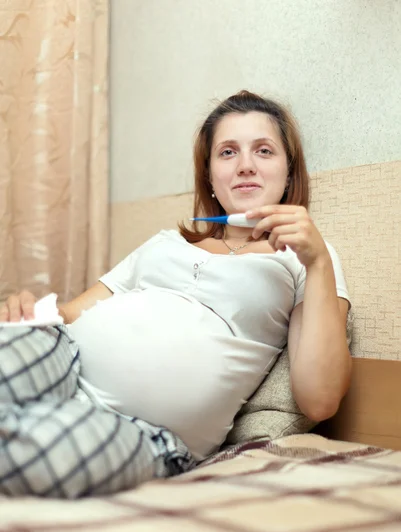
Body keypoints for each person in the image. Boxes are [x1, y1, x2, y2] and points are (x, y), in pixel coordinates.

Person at [0, 90, 351, 498]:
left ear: (289, 173)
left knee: (29, 452)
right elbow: (70, 312)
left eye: (264, 150)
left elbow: (320, 400)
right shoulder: (164, 243)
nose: (245, 166)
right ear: (210, 178)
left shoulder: (306, 260)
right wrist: (26, 309)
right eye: (227, 152)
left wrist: (319, 262)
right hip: (62, 357)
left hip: (142, 432)